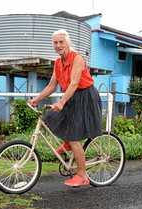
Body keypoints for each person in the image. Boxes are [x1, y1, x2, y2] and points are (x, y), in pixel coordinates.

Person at [28, 29, 102, 187]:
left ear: (68, 42)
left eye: (61, 42)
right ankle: (68, 142)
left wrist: (61, 102)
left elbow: (75, 83)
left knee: (75, 137)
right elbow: (52, 85)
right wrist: (36, 99)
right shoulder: (57, 62)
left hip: (85, 97)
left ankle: (82, 175)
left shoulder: (78, 59)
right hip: (71, 96)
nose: (58, 45)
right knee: (51, 118)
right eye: (55, 42)